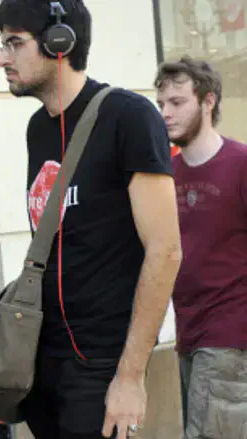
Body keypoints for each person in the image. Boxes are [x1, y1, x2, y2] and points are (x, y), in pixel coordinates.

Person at [0, 1, 182, 438]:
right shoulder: (37, 129)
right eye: (1, 45)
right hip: (44, 356)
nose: (2, 58)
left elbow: (166, 250)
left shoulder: (128, 116)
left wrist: (130, 377)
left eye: (14, 43)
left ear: (60, 42)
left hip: (101, 362)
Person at [155, 56, 247, 439]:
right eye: (161, 104)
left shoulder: (241, 164)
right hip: (187, 333)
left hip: (231, 333)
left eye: (177, 103)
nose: (165, 114)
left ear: (208, 102)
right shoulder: (165, 174)